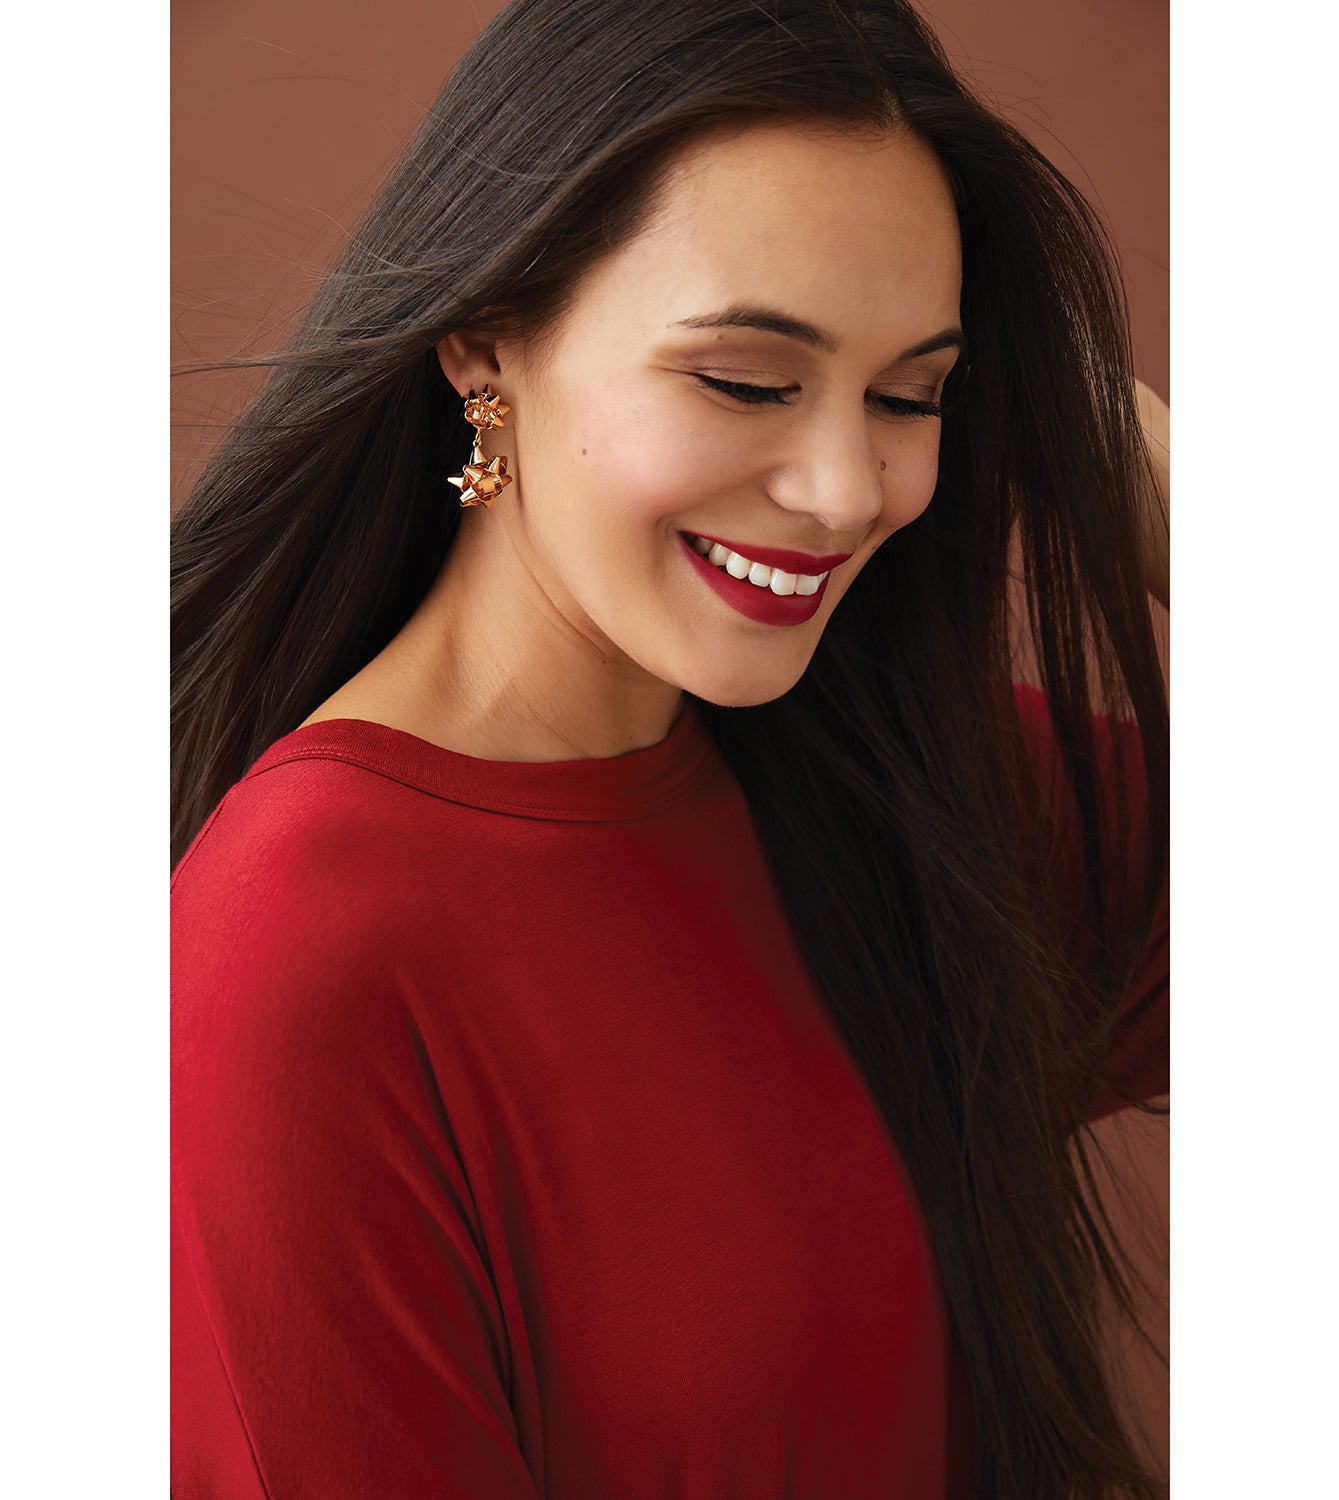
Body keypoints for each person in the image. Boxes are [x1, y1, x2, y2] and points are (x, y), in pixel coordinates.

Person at [170, 1, 1169, 1495]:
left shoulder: (906, 799)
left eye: (911, 395)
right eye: (747, 381)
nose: (845, 490)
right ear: (484, 341)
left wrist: (1107, 435)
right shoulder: (297, 956)